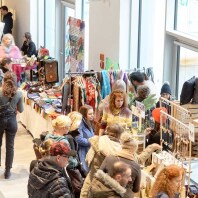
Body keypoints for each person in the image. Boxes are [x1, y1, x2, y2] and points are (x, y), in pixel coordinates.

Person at [80, 123, 124, 198]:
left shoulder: (97, 142)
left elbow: (88, 160)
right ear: (119, 135)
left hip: (92, 178)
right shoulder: (121, 149)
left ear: (107, 131)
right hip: (109, 185)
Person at [0, 71, 23, 179]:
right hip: (12, 121)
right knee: (10, 146)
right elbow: (21, 110)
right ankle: (7, 171)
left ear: (4, 80)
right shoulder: (18, 93)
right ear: (15, 81)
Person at [75, 105, 94, 173]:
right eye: (90, 114)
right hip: (82, 153)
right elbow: (79, 139)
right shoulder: (80, 124)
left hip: (87, 152)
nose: (92, 115)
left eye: (92, 113)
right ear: (84, 114)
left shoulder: (89, 123)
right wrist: (92, 141)